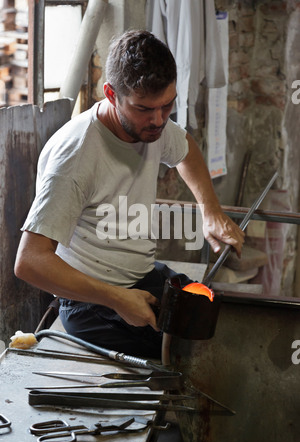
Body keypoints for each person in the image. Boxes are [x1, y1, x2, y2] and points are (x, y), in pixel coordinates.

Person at [14, 30, 244, 359]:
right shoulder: (76, 157)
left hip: (141, 276)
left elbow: (185, 149)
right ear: (111, 94)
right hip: (90, 305)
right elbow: (29, 262)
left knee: (214, 316)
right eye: (144, 109)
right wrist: (117, 298)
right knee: (194, 353)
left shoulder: (152, 126)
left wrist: (211, 212)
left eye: (168, 105)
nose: (159, 120)